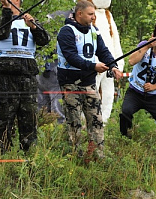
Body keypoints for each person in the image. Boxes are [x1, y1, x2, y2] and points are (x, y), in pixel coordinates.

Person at [56, 0, 123, 160]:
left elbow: (103, 51)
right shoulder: (66, 31)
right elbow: (71, 57)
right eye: (90, 14)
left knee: (96, 120)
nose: (94, 17)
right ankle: (75, 155)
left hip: (89, 84)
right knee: (74, 122)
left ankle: (98, 155)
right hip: (71, 84)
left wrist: (113, 66)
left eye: (94, 14)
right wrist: (93, 66)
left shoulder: (94, 31)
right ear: (79, 14)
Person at [0, 0, 50, 153]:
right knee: (5, 117)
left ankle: (29, 154)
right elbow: (1, 33)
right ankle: (4, 154)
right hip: (5, 75)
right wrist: (6, 11)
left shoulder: (30, 21)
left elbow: (45, 40)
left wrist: (34, 26)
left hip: (27, 75)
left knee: (28, 117)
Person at [119, 25, 156, 143]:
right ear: (153, 37)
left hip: (153, 96)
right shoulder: (144, 46)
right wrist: (147, 46)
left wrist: (154, 87)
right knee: (126, 112)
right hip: (135, 91)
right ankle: (125, 137)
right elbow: (131, 61)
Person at [93, 0, 123, 122]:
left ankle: (104, 123)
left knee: (108, 95)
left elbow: (115, 39)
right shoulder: (88, 13)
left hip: (110, 63)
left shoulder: (107, 15)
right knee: (92, 94)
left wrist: (118, 63)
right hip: (95, 65)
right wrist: (94, 62)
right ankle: (87, 125)